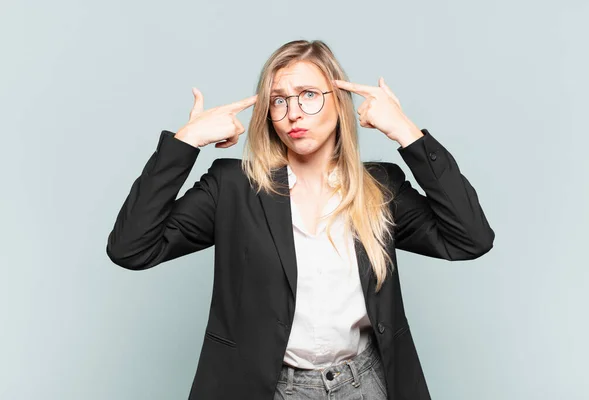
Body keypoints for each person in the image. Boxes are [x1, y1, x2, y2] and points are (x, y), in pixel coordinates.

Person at [106, 39, 495, 400]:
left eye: (309, 95)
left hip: (368, 384)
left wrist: (407, 133)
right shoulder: (233, 187)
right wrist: (187, 140)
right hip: (268, 387)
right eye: (279, 101)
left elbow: (469, 238)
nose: (294, 113)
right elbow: (131, 248)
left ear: (338, 103)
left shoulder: (379, 187)